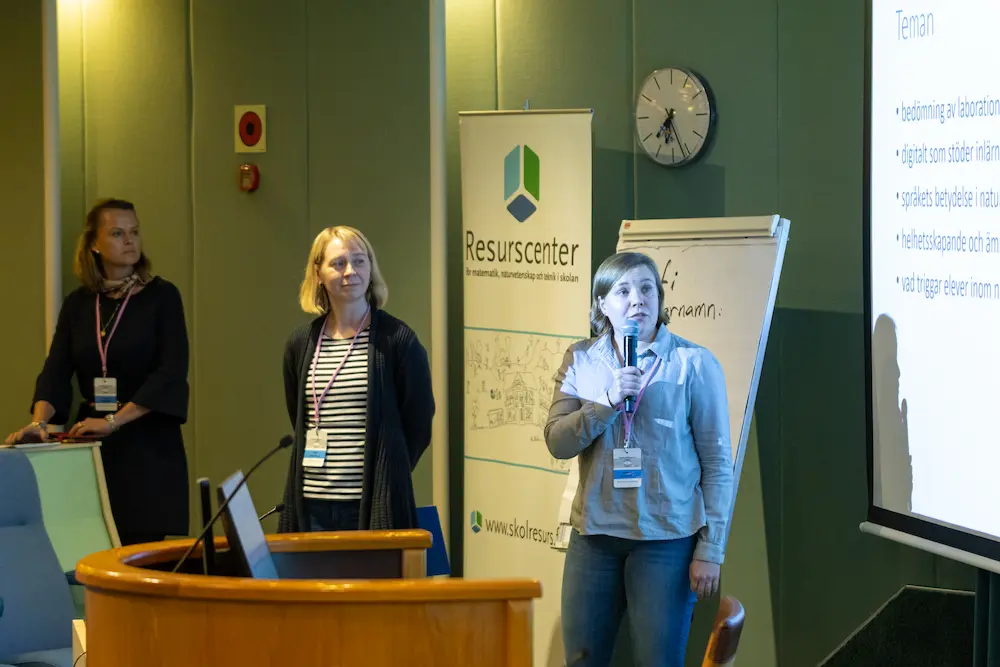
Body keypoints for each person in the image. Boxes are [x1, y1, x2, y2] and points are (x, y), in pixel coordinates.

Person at [545, 251, 734, 667]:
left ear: (660, 299)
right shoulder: (581, 359)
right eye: (624, 291)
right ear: (602, 304)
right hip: (594, 538)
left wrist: (711, 548)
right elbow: (557, 442)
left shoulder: (694, 364)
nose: (638, 300)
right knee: (581, 660)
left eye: (647, 289)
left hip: (665, 541)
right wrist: (607, 402)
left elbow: (719, 465)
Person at [3, 198, 190, 546]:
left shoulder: (162, 297)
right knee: (88, 550)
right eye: (117, 233)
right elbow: (56, 369)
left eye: (134, 232)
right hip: (92, 447)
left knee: (138, 557)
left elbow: (170, 373)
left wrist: (114, 421)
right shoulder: (79, 304)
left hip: (147, 447)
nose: (129, 240)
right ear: (94, 244)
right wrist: (39, 423)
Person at [278, 225, 434, 533]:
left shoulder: (397, 340)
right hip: (311, 505)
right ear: (318, 273)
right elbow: (299, 416)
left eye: (359, 261)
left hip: (372, 503)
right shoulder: (301, 343)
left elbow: (418, 421)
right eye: (338, 263)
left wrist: (390, 473)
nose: (350, 271)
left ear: (370, 268)